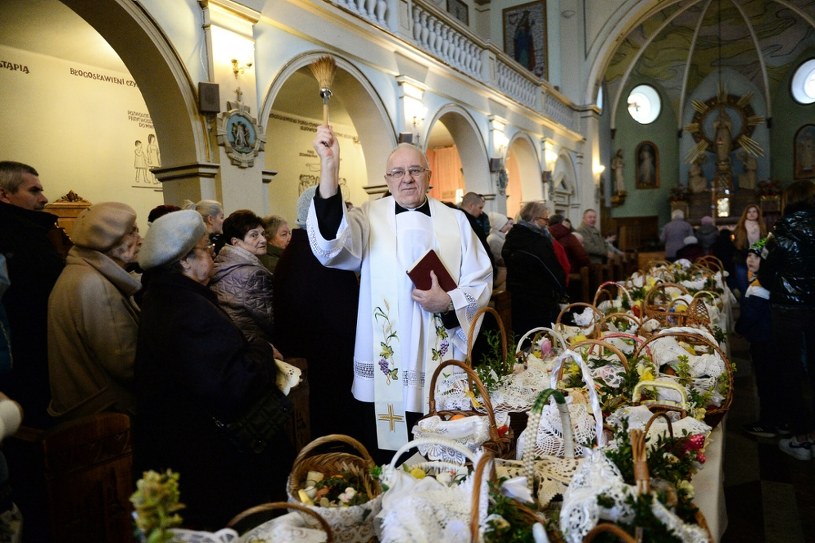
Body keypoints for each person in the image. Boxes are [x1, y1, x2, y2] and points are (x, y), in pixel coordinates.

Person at [306, 125, 492, 452]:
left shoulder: (457, 221)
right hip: (386, 369)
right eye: (397, 172)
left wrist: (448, 302)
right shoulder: (367, 216)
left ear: (428, 175)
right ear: (387, 179)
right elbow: (333, 245)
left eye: (414, 170)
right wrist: (330, 167)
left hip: (440, 360)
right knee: (391, 458)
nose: (406, 178)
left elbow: (480, 279)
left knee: (444, 455)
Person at [134, 210, 293, 528]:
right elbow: (234, 386)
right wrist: (261, 350)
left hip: (192, 449)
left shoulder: (167, 298)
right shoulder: (187, 310)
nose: (213, 253)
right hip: (212, 456)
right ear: (184, 262)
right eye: (206, 247)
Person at [273, 186, 365, 440]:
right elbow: (344, 316)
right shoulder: (319, 256)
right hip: (327, 366)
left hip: (315, 361)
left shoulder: (299, 248)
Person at [47, 202, 142, 423]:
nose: (139, 239)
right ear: (111, 241)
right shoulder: (95, 285)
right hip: (104, 410)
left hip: (86, 403)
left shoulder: (80, 272)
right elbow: (124, 362)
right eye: (132, 231)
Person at [0, 161, 64, 428]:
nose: (44, 198)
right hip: (26, 354)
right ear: (4, 194)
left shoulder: (33, 230)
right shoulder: (15, 234)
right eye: (34, 191)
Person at [758, 180, 815, 460]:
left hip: (788, 310)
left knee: (791, 372)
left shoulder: (778, 234)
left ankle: (802, 438)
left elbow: (766, 274)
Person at [736, 239, 787, 439]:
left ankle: (769, 423)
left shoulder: (761, 286)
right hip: (766, 339)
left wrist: (738, 328)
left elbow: (750, 315)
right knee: (769, 381)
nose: (751, 260)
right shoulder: (761, 281)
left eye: (756, 257)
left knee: (767, 383)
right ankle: (777, 420)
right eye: (749, 255)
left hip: (764, 341)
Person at [209, 210, 277, 345]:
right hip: (257, 344)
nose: (263, 239)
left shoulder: (222, 263)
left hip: (231, 339)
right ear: (236, 242)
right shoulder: (253, 274)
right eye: (254, 235)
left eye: (263, 234)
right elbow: (271, 320)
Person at [502, 201, 566, 338]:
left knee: (525, 338)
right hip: (540, 299)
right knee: (543, 341)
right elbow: (552, 271)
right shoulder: (537, 241)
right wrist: (562, 290)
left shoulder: (512, 237)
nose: (547, 224)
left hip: (517, 296)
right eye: (545, 219)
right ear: (534, 219)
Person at [732, 204, 767, 296]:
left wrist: (755, 252)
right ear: (745, 214)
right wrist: (748, 253)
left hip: (758, 261)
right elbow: (736, 244)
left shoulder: (762, 227)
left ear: (758, 214)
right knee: (744, 289)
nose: (751, 214)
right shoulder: (740, 227)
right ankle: (745, 309)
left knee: (757, 289)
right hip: (742, 260)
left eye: (754, 211)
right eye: (749, 212)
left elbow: (764, 242)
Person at [460, 192, 496, 273]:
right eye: (480, 208)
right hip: (474, 270)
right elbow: (483, 249)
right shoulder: (471, 225)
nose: (481, 212)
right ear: (471, 206)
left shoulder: (454, 218)